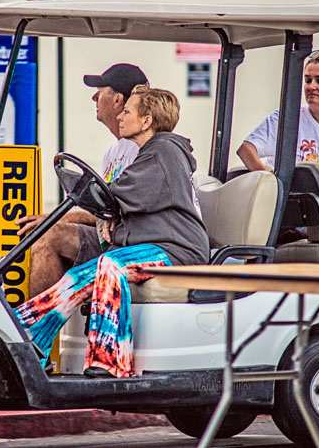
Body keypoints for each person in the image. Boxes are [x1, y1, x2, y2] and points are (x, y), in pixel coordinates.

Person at [15, 86, 208, 378]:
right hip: (151, 245)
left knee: (111, 265)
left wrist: (85, 195)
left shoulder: (163, 152)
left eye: (128, 111)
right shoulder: (150, 153)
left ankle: (108, 360)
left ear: (146, 121)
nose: (121, 116)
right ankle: (29, 341)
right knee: (77, 276)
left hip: (175, 251)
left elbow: (113, 198)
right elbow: (112, 201)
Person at [15, 63, 148, 296]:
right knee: (46, 233)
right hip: (113, 237)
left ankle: (34, 328)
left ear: (117, 100)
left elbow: (118, 210)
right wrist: (53, 219)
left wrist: (52, 221)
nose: (94, 97)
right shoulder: (114, 152)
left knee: (49, 237)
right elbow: (103, 209)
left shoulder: (143, 150)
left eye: (100, 90)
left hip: (130, 242)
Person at [236, 50, 319, 186]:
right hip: (292, 204)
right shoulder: (286, 119)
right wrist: (274, 186)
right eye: (308, 80)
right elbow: (246, 150)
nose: (311, 86)